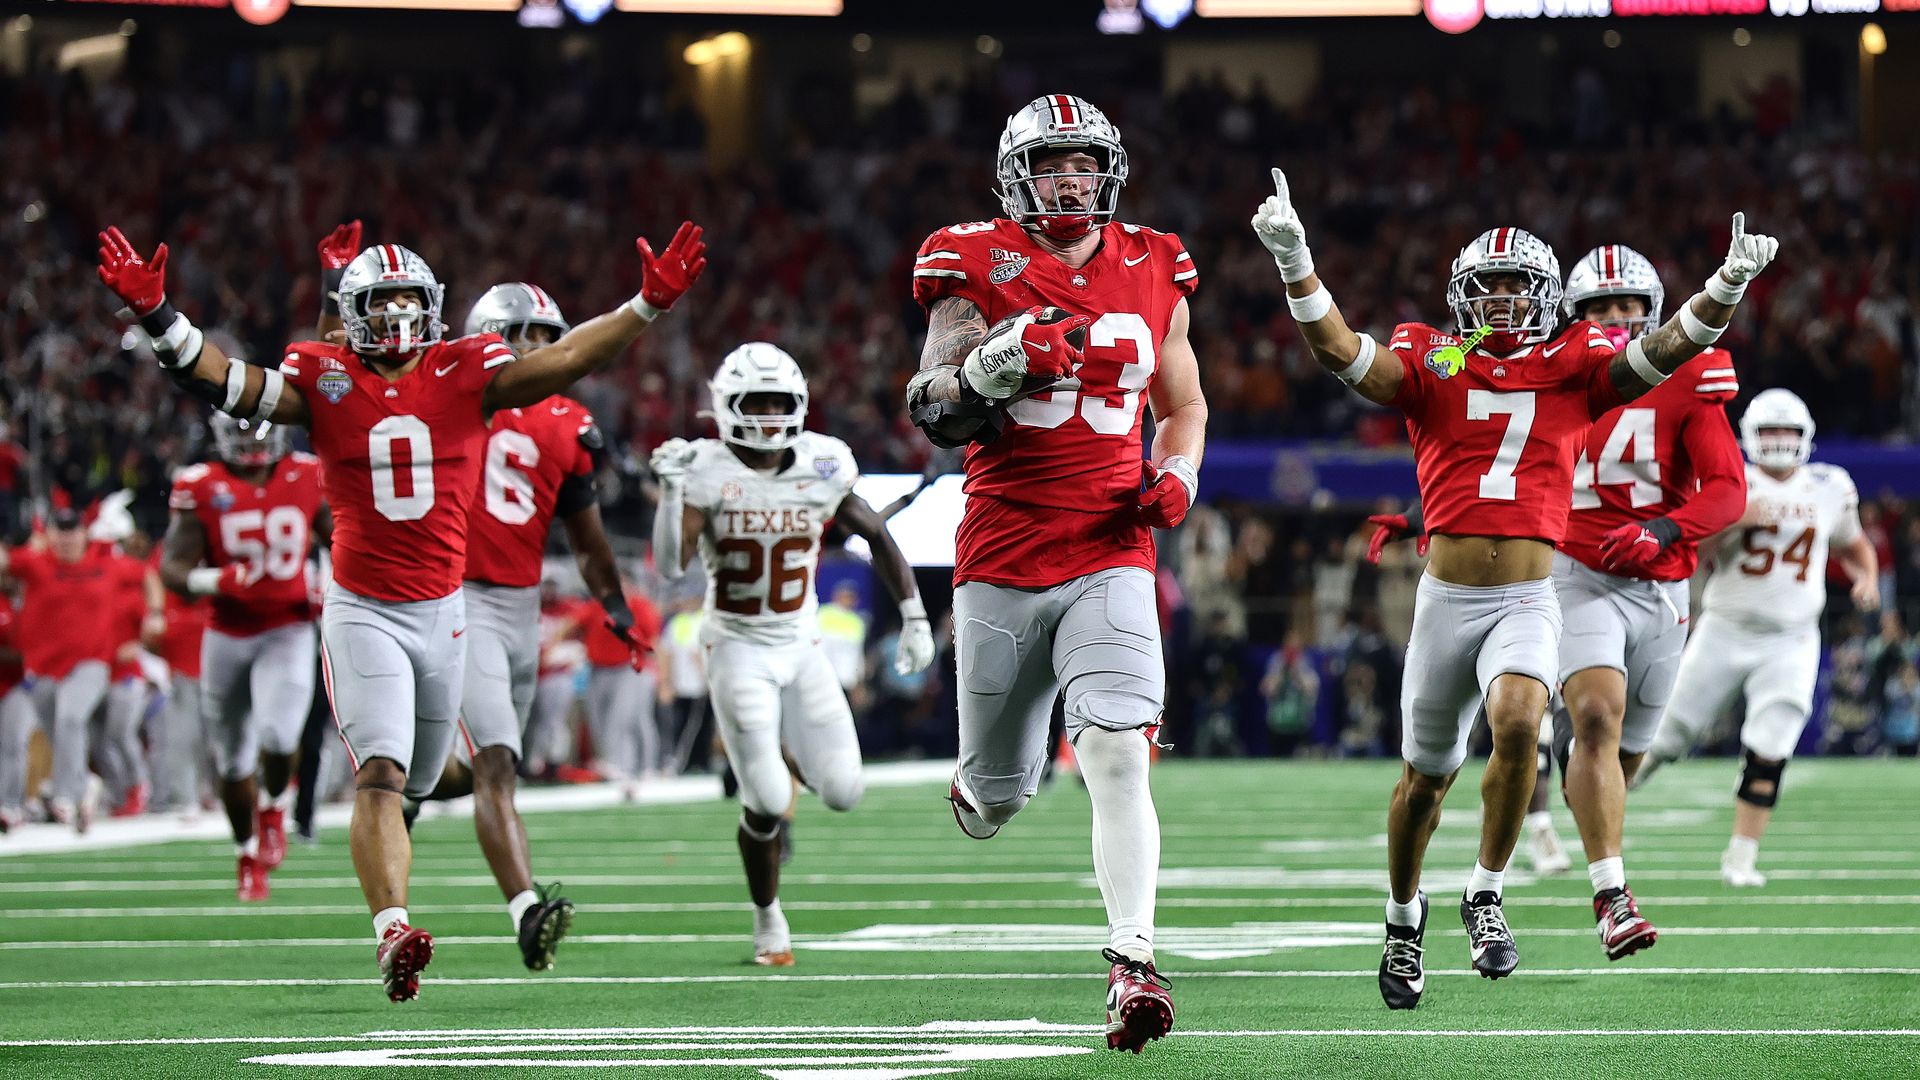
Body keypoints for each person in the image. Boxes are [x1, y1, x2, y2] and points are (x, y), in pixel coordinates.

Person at [96, 218, 706, 1001]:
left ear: (434, 307)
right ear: (352, 315)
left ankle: (448, 834)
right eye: (379, 306)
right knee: (380, 773)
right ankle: (392, 930)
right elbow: (227, 381)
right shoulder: (323, 375)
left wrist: (647, 305)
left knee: (422, 777)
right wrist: (158, 317)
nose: (395, 320)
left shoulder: (466, 366)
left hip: (444, 612)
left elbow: (560, 361)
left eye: (408, 304)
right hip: (363, 609)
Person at [1255, 168, 1778, 1008]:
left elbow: (1665, 350)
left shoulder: (1577, 365)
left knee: (1520, 722)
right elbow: (1344, 355)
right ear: (1464, 297)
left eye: (1515, 287)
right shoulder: (1434, 356)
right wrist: (1297, 266)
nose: (1501, 301)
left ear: (1543, 297)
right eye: (1487, 288)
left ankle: (1486, 893)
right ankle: (1402, 914)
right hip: (1446, 599)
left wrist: (1723, 287)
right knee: (1423, 779)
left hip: (1533, 596)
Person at [903, 95, 1206, 1053]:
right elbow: (930, 402)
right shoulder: (972, 259)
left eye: (1084, 162)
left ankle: (1133, 962)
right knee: (1000, 794)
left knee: (1117, 750)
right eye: (1052, 164)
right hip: (999, 554)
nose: (1071, 179)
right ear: (1017, 175)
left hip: (1112, 546)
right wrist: (992, 366)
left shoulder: (1158, 262)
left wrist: (1180, 473)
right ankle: (982, 786)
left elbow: (1185, 403)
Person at [652, 342, 934, 968]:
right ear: (728, 407)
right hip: (736, 646)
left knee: (843, 790)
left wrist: (914, 613)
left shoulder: (822, 462)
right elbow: (671, 565)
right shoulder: (703, 468)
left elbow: (875, 533)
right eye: (758, 402)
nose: (771, 414)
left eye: (781, 401)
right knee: (771, 801)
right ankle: (767, 919)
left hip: (801, 643)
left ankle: (775, 758)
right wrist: (672, 499)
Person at [1542, 245, 1748, 959]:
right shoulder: (1555, 373)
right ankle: (1612, 896)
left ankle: (1579, 778)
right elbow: (1491, 458)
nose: (1618, 319)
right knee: (1598, 716)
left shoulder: (1690, 372)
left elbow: (1727, 489)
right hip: (1575, 570)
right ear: (1574, 316)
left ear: (1655, 312)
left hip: (1661, 583)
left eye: (1630, 305)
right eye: (1601, 307)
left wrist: (1663, 528)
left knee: (1621, 758)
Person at [1634, 389, 1878, 887]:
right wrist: (1730, 520)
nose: (1779, 442)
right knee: (1666, 736)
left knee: (1772, 743)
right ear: (1750, 437)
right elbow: (1690, 559)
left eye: (1788, 433)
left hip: (1792, 638)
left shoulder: (1830, 486)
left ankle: (1741, 857)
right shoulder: (1729, 482)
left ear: (1805, 437)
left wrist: (1866, 577)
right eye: (1770, 432)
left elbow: (1854, 544)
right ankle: (1601, 803)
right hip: (1725, 627)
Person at [159, 415, 327, 899]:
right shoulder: (201, 485)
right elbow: (173, 568)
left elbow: (342, 538)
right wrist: (216, 580)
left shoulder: (306, 473)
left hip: (288, 628)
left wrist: (330, 588)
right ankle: (245, 853)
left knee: (278, 734)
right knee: (233, 762)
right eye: (241, 431)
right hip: (227, 632)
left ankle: (275, 804)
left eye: (260, 430)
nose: (252, 442)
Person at [1, 507, 161, 832]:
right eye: (59, 532)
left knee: (71, 719)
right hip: (43, 670)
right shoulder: (36, 563)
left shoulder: (107, 565)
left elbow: (146, 574)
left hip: (92, 664)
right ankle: (82, 782)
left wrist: (156, 613)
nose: (66, 539)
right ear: (49, 535)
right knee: (58, 732)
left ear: (83, 534)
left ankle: (67, 797)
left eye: (71, 531)